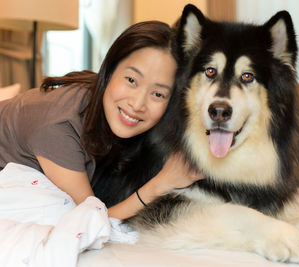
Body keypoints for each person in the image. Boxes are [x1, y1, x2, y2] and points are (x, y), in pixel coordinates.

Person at [0, 21, 203, 220]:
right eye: (131, 80)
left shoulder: (101, 103)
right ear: (110, 71)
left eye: (158, 94)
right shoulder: (58, 128)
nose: (138, 104)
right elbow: (91, 220)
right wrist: (162, 183)